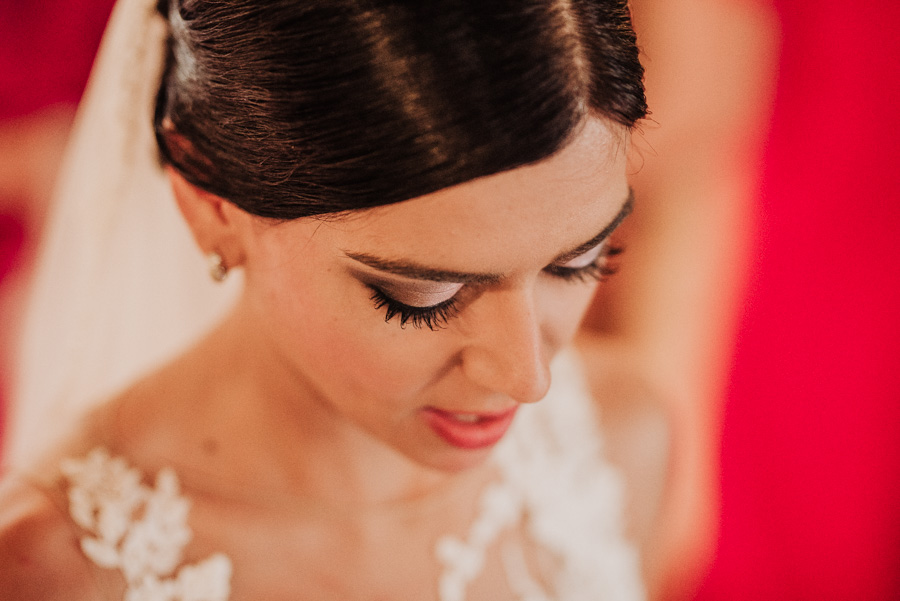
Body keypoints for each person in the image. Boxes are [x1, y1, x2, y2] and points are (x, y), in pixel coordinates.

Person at [0, 1, 669, 599]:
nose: (528, 378)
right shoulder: (53, 569)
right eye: (420, 297)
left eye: (582, 260)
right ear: (211, 206)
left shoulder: (617, 441)